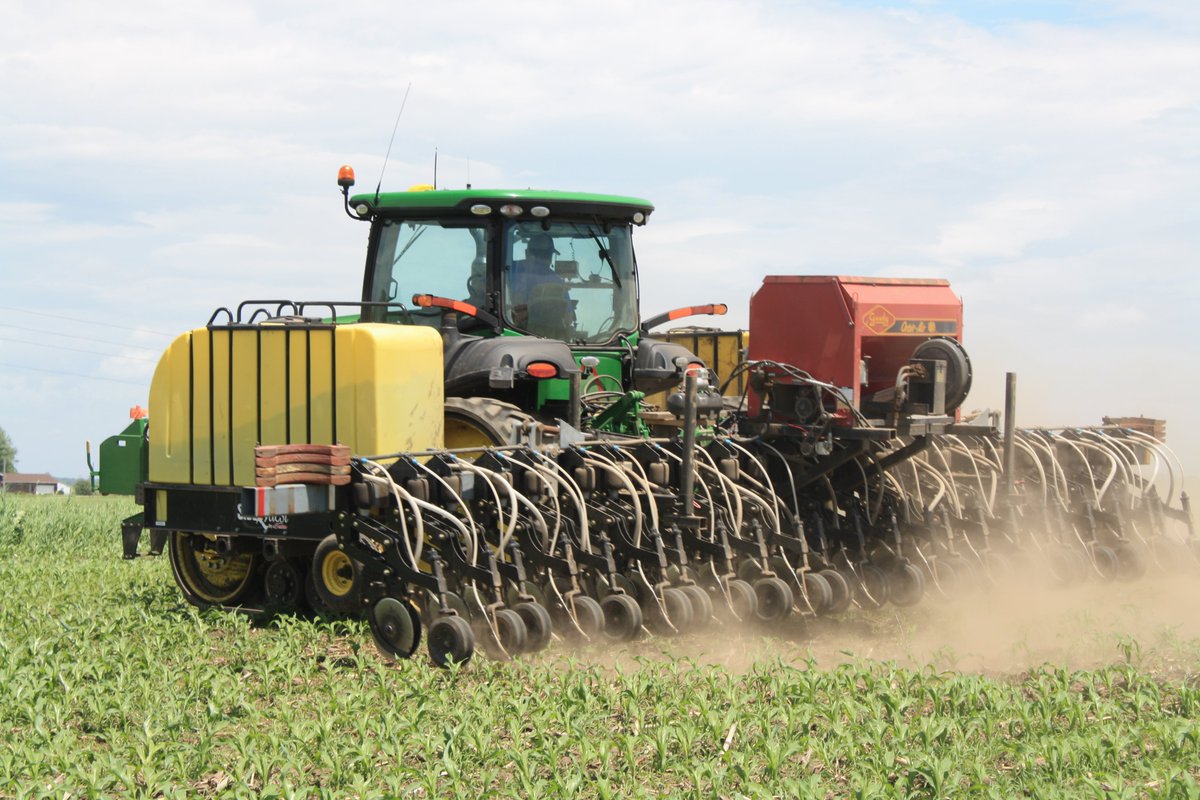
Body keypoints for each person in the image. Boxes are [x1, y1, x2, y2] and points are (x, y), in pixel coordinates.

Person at [508, 234, 573, 335]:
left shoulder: (510, 269)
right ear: (550, 256)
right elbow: (568, 317)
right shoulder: (556, 280)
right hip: (549, 336)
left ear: (527, 252)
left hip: (512, 330)